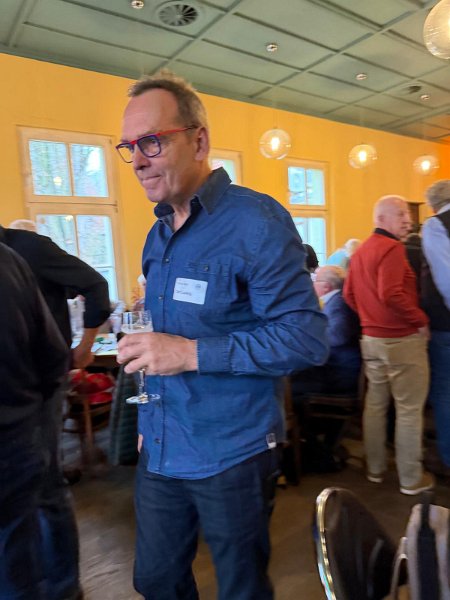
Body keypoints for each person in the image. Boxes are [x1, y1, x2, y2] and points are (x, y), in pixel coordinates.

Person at [116, 70, 329, 599]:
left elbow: (305, 337)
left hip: (232, 450)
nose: (137, 160)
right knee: (156, 579)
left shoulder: (256, 221)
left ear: (199, 141)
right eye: (129, 147)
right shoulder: (157, 235)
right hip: (162, 444)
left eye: (151, 141)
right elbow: (159, 340)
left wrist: (190, 353)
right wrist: (146, 419)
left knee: (241, 588)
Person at [0, 224, 110, 600]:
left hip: (37, 391)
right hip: (31, 391)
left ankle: (64, 586)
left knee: (46, 488)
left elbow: (96, 285)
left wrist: (85, 346)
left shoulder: (24, 250)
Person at [344, 195, 433, 496]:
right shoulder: (392, 248)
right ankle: (411, 480)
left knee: (375, 406)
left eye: (407, 215)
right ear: (381, 218)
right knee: (409, 410)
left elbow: (348, 295)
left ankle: (375, 470)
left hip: (371, 340)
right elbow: (391, 293)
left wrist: (370, 319)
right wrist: (420, 319)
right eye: (400, 214)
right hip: (401, 340)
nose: (408, 221)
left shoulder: (360, 251)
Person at [0, 243, 68, 599]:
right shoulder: (9, 260)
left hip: (17, 437)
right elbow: (53, 357)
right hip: (17, 438)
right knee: (17, 564)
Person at [291, 265, 361, 396]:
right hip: (334, 368)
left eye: (316, 280)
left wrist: (308, 339)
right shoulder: (337, 301)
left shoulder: (338, 304)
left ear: (326, 286)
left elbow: (338, 335)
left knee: (287, 387)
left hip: (339, 372)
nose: (313, 284)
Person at [421, 180, 450, 476]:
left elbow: (446, 277)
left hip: (445, 324)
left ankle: (448, 458)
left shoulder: (435, 225)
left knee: (444, 391)